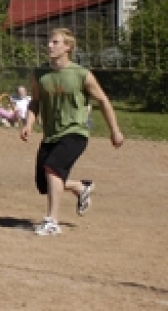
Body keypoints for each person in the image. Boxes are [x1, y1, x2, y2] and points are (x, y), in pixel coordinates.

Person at [21, 28, 125, 236]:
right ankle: (79, 187)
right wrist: (29, 124)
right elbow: (35, 102)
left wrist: (115, 130)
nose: (49, 45)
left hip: (76, 132)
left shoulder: (81, 74)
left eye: (55, 42)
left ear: (68, 47)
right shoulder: (40, 74)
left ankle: (52, 221)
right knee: (44, 183)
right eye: (49, 42)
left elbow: (103, 101)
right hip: (51, 134)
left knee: (53, 167)